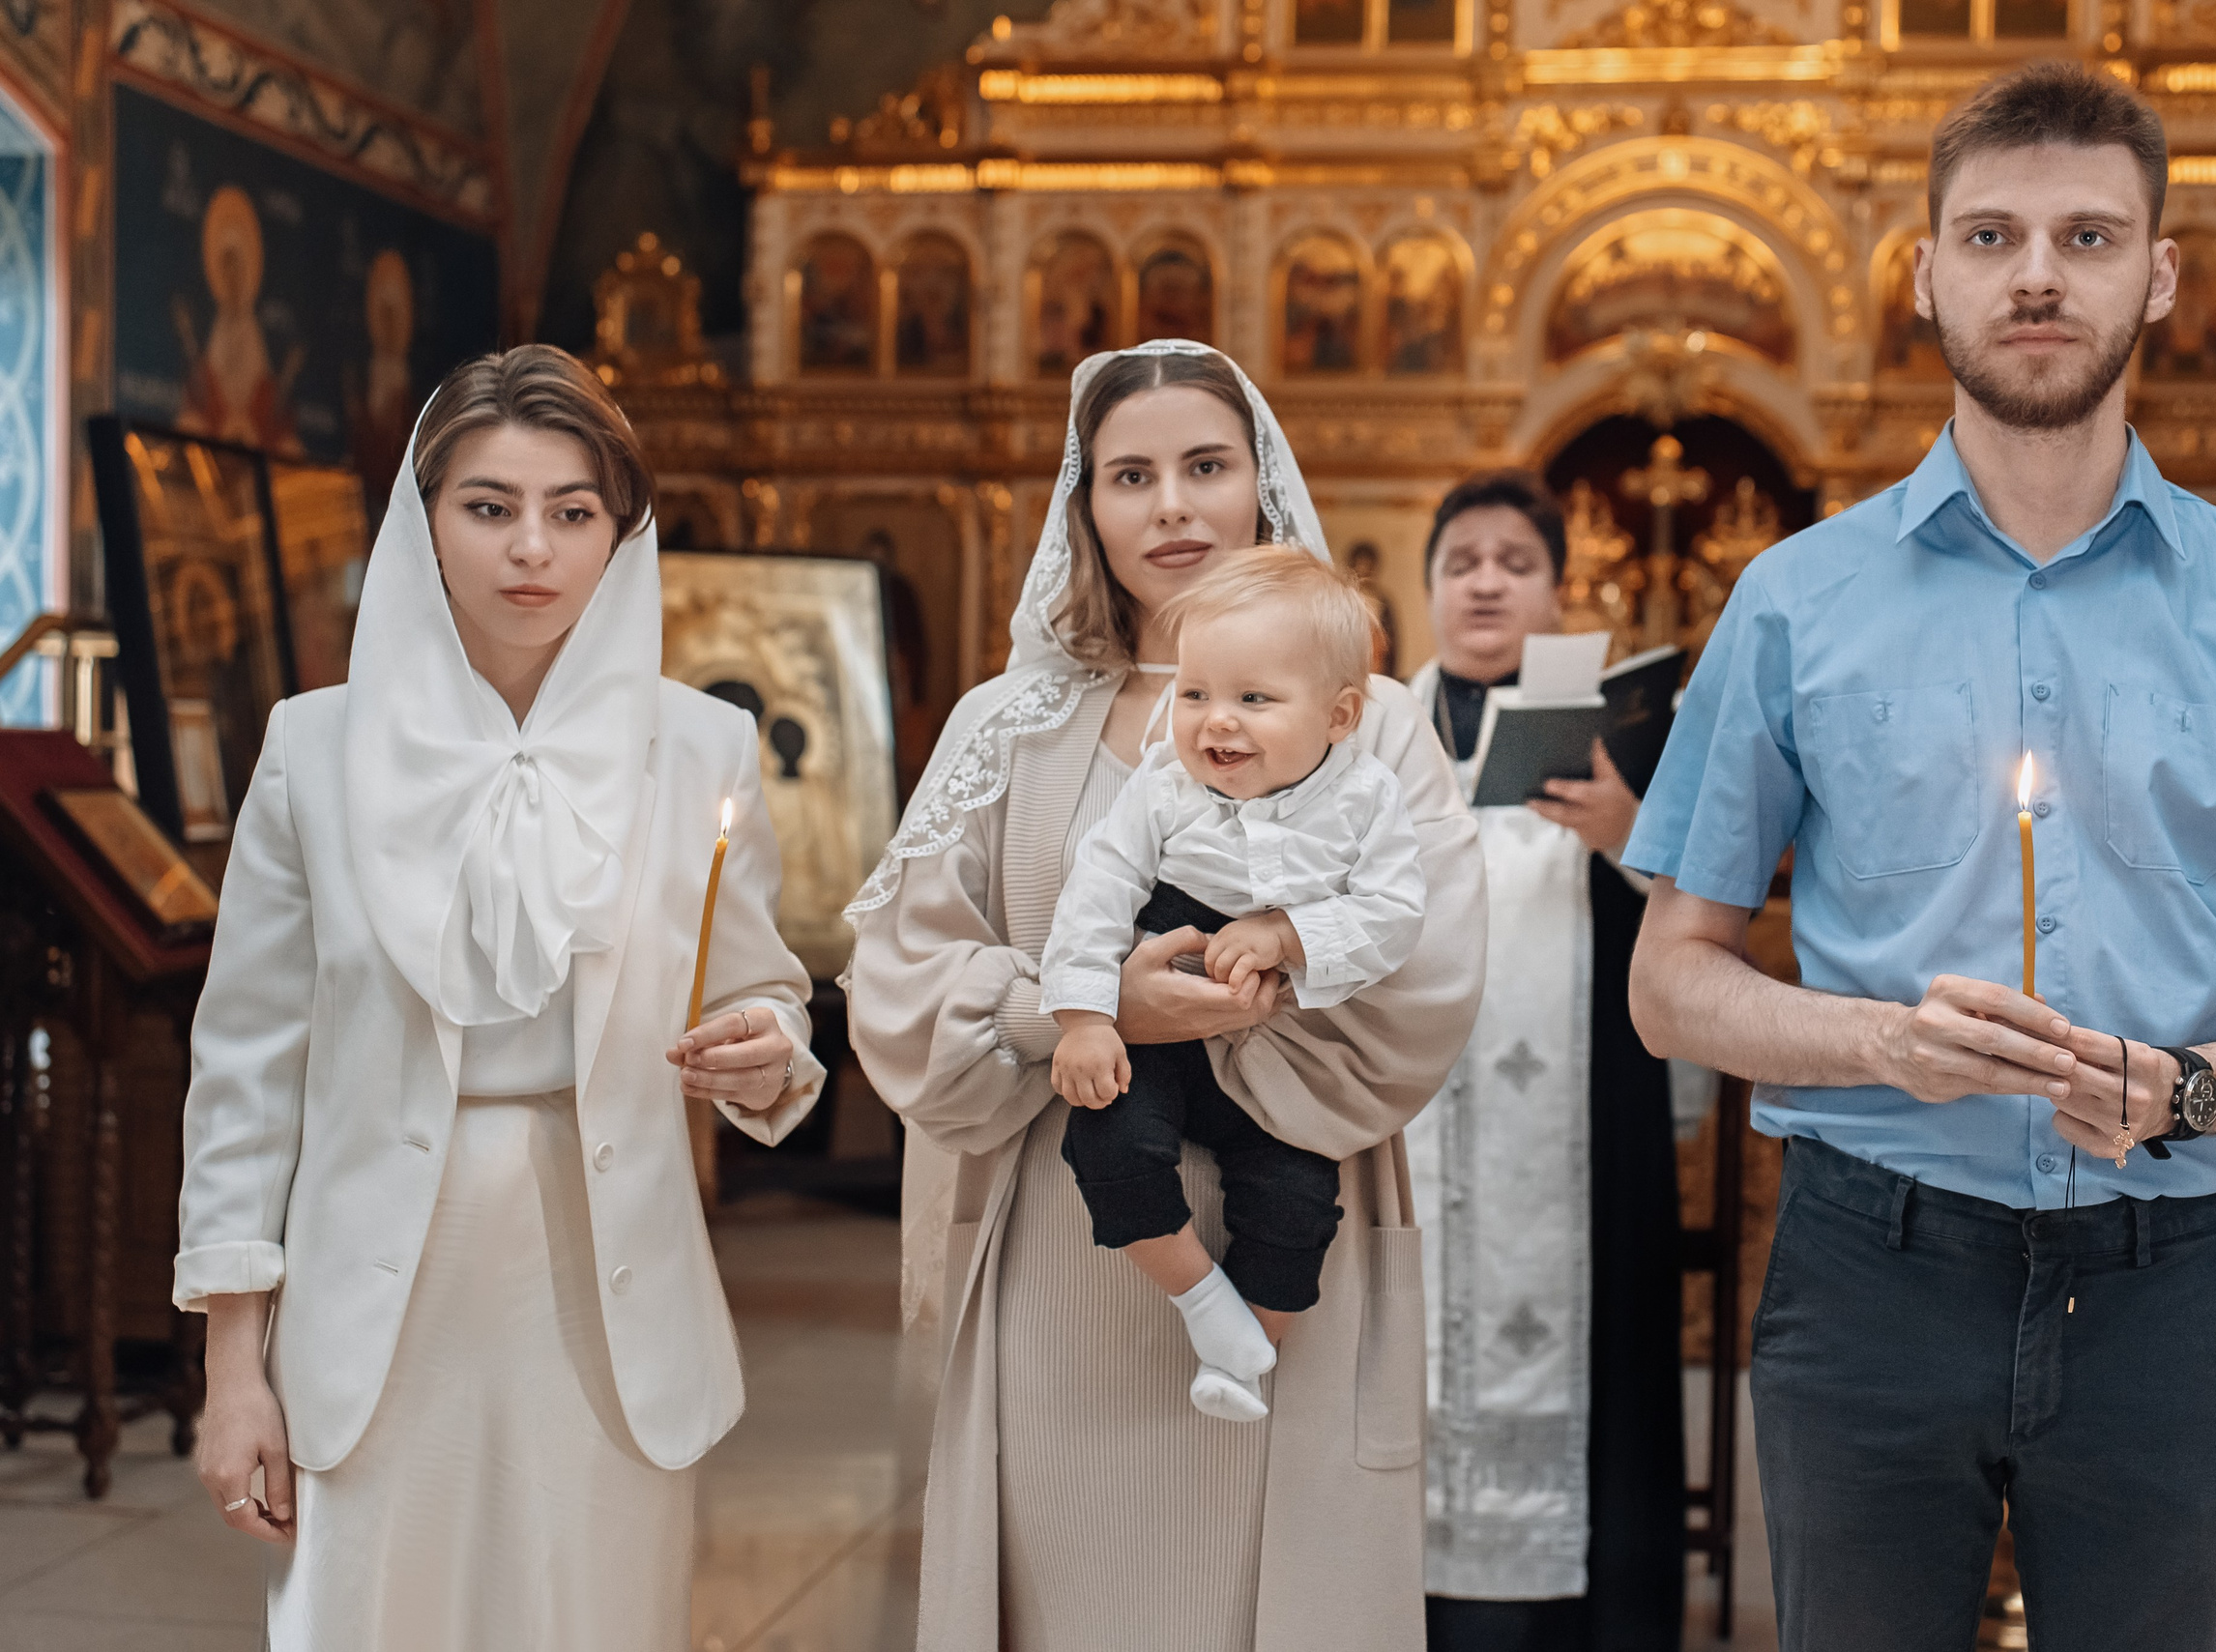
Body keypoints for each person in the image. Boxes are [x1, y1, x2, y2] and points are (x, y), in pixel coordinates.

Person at [1625, 64, 2216, 1652]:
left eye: (2087, 236)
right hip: (1873, 1265)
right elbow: (1671, 984)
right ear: (1924, 272)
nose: (2038, 276)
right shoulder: (1795, 602)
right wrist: (1884, 1043)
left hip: (2166, 1278)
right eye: (1991, 236)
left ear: (2160, 275)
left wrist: (2186, 1087)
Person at [175, 344, 827, 1650]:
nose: (532, 547)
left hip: (605, 1291)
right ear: (423, 523)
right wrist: (232, 1365)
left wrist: (771, 1046)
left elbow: (757, 980)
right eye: (489, 506)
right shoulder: (314, 748)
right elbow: (246, 1069)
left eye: (572, 511)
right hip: (372, 1299)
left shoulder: (699, 745)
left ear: (618, 533)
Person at [844, 338, 1483, 1652]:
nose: (1173, 505)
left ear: (1263, 482)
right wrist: (1080, 1010)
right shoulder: (1005, 726)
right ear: (1084, 504)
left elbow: (1429, 967)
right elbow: (903, 981)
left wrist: (1264, 968)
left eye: (1206, 465)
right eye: (1129, 475)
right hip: (1068, 1247)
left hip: (1290, 1219)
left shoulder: (1371, 722)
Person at [1043, 546, 1427, 1423]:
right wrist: (1085, 1017)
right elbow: (1097, 890)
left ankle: (1247, 1348)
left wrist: (1288, 933)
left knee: (1297, 1201)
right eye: (1195, 693)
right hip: (1165, 1001)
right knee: (1105, 1140)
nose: (1217, 721)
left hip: (1288, 1045)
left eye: (1254, 698)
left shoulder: (1367, 796)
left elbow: (1397, 914)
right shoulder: (1163, 786)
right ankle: (1200, 1297)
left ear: (1339, 715)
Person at [1405, 470, 1686, 1652]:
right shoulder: (1367, 736)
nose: (1486, 582)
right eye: (1461, 561)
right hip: (1403, 1127)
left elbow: (1704, 908)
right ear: (1426, 587)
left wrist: (1629, 832)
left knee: (1597, 1351)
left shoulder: (1623, 738)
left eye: (1515, 563)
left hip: (1580, 1118)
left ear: (1556, 591)